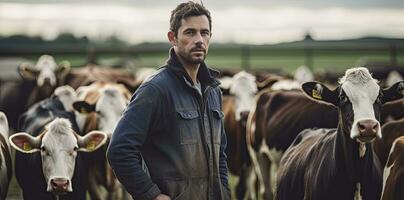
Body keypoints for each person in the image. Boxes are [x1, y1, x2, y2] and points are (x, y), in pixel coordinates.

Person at [107, 1, 231, 200]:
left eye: (204, 32)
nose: (199, 40)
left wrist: (224, 192)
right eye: (190, 32)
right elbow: (119, 150)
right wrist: (152, 195)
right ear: (172, 38)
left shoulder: (213, 90)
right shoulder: (155, 90)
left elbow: (221, 153)